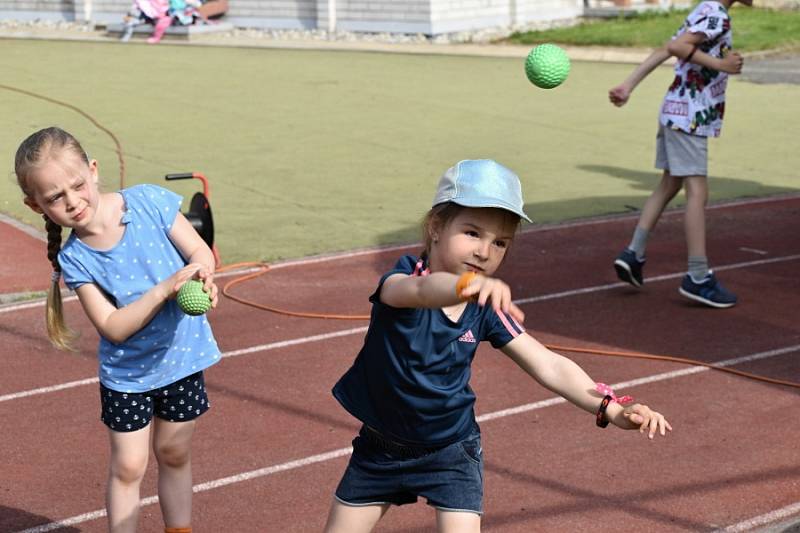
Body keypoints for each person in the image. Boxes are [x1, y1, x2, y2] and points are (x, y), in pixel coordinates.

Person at [323, 159, 672, 533]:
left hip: (451, 452)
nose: (485, 252)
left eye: (500, 242)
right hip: (380, 449)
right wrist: (462, 287)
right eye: (472, 233)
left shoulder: (486, 306)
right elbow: (421, 292)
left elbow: (547, 364)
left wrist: (612, 407)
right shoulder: (403, 281)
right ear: (436, 227)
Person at [14, 126, 222, 533]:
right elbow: (112, 327)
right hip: (129, 376)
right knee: (129, 466)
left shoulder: (149, 202)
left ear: (93, 170)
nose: (73, 202)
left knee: (175, 452)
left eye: (76, 185)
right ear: (36, 205)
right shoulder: (76, 258)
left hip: (182, 357)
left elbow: (199, 251)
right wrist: (164, 289)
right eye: (56, 197)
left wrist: (202, 275)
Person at [608, 0, 751, 309]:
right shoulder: (716, 13)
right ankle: (698, 276)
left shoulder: (704, 10)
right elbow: (678, 46)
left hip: (676, 110)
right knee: (697, 190)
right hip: (690, 116)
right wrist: (722, 65)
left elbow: (668, 48)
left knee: (670, 183)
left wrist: (628, 84)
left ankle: (633, 253)